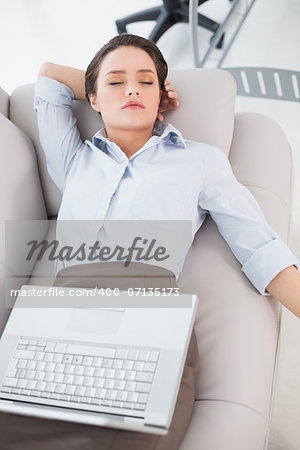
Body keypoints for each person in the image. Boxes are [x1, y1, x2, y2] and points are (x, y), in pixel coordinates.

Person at [1, 33, 299, 450]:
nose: (132, 90)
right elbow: (49, 78)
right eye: (116, 82)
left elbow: (260, 247)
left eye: (146, 82)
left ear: (163, 97)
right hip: (61, 314)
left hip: (145, 312)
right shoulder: (75, 158)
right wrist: (108, 86)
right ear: (93, 98)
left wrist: (122, 87)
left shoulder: (200, 160)